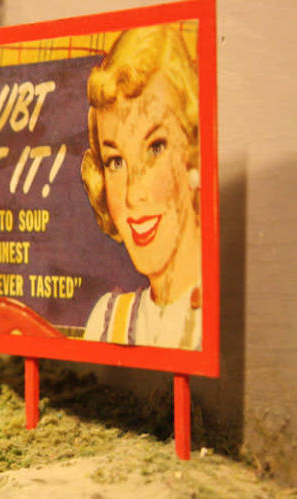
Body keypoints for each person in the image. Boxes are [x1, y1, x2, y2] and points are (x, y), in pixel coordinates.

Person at [80, 25, 202, 349]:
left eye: (155, 147)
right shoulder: (106, 323)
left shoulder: (215, 317)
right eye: (116, 161)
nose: (133, 194)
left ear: (192, 150)